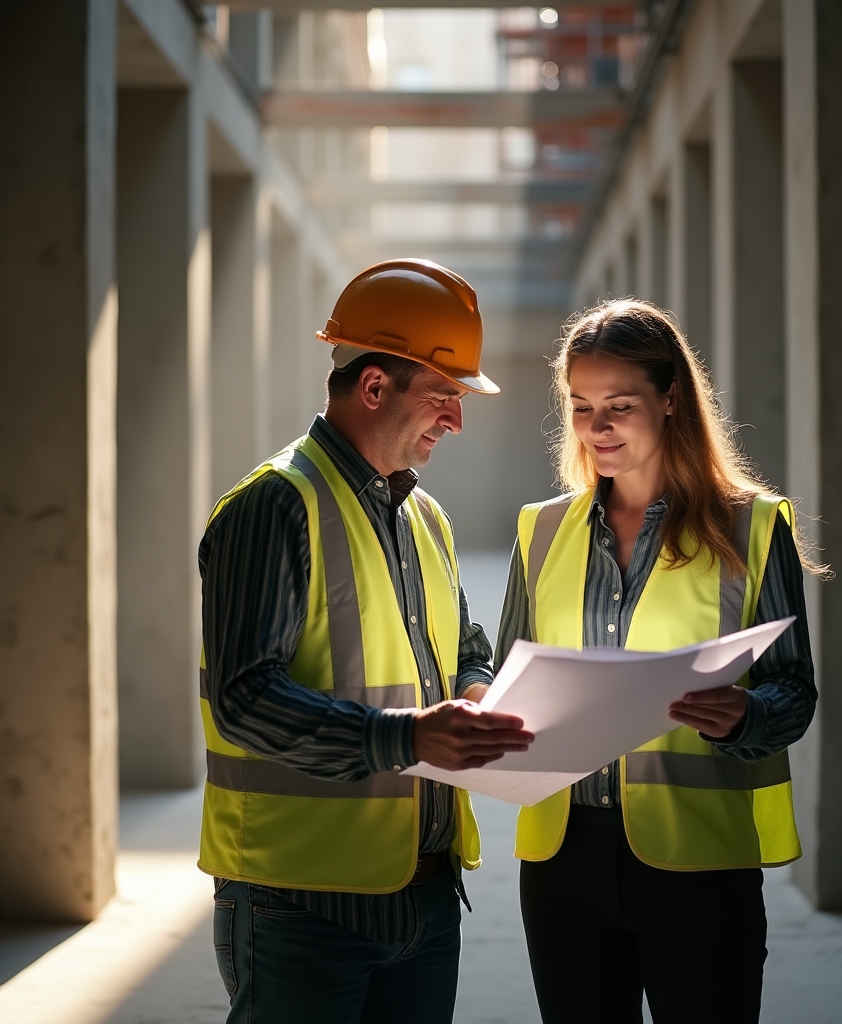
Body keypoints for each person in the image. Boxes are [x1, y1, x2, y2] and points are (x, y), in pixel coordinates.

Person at [198, 259, 533, 1024]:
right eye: (445, 397)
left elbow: (468, 647)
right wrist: (405, 736)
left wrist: (481, 694)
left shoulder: (426, 519)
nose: (456, 420)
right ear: (375, 386)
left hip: (423, 891)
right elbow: (245, 699)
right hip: (298, 904)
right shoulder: (274, 506)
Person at [494, 300, 821, 1024]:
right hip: (562, 865)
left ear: (671, 399)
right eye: (580, 407)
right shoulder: (541, 530)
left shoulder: (752, 527)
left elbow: (794, 692)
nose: (596, 428)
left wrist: (746, 716)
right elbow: (509, 679)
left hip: (700, 868)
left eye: (619, 405)